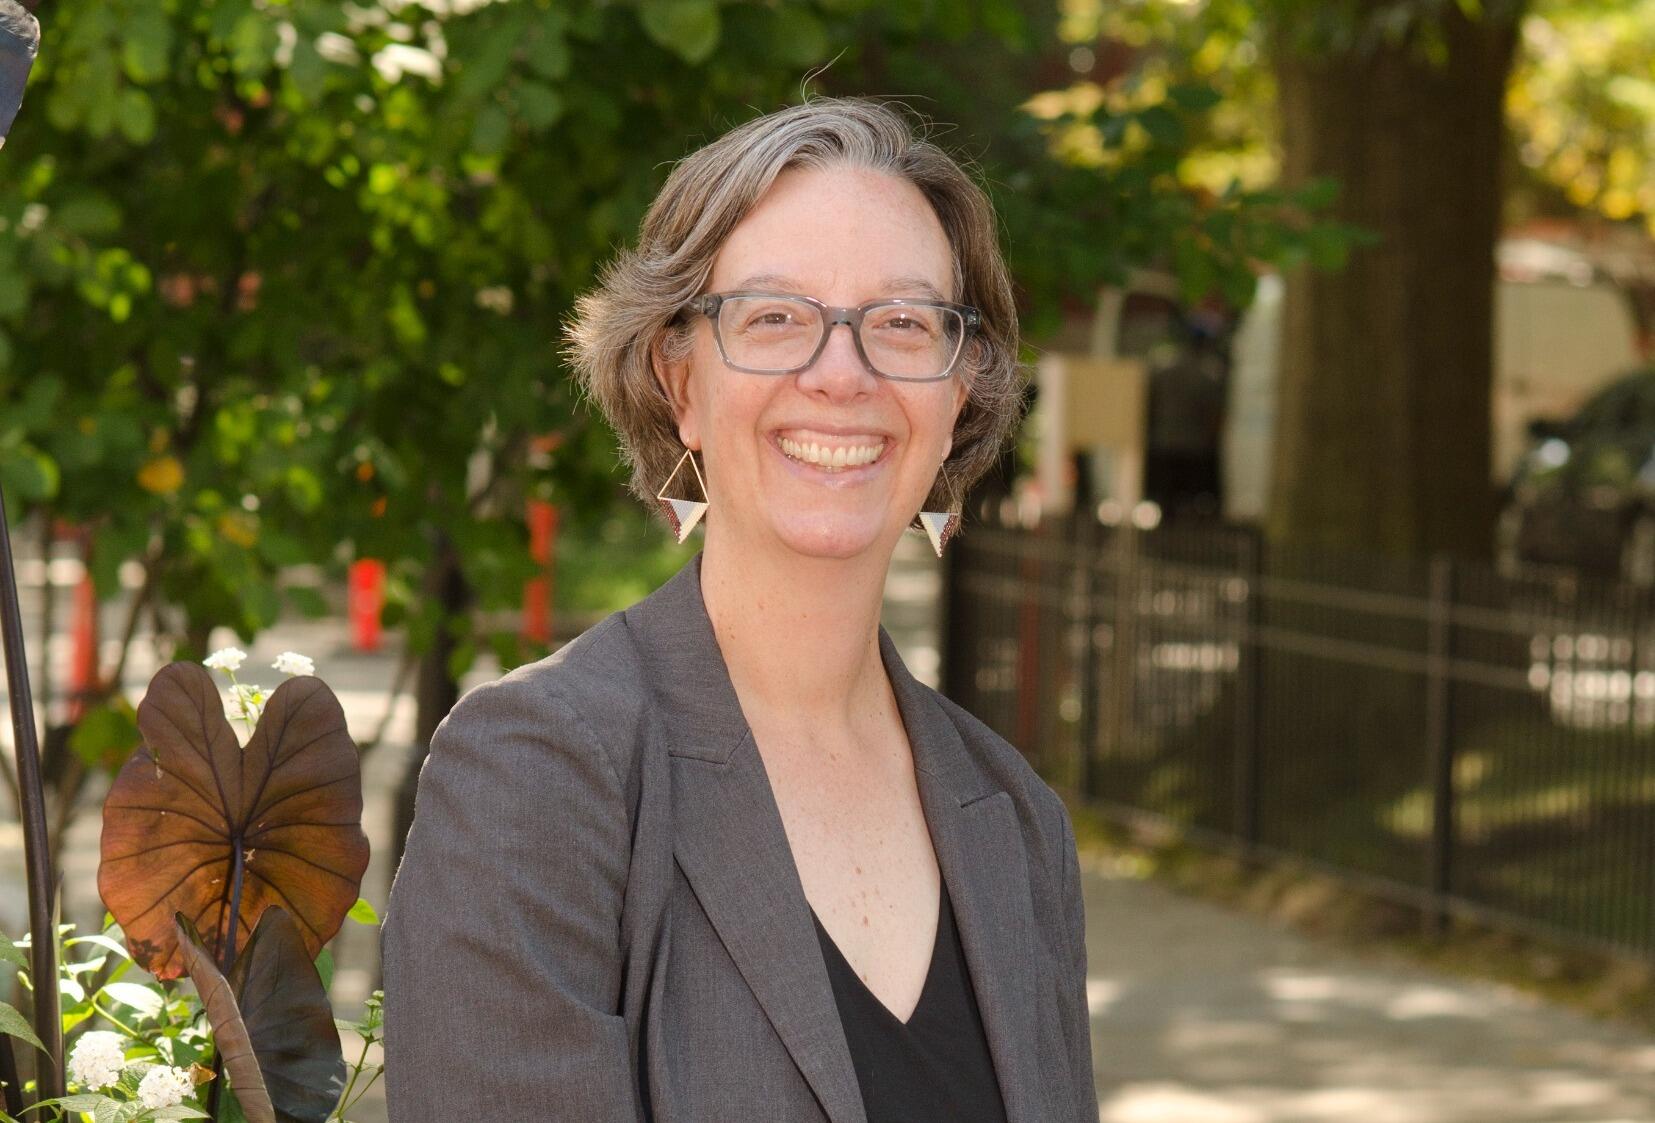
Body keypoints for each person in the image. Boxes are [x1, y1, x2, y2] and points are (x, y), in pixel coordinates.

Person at [379, 95, 1099, 1122]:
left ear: (958, 393)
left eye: (902, 323)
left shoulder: (1017, 820)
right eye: (773, 318)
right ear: (679, 382)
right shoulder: (539, 774)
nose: (840, 374)